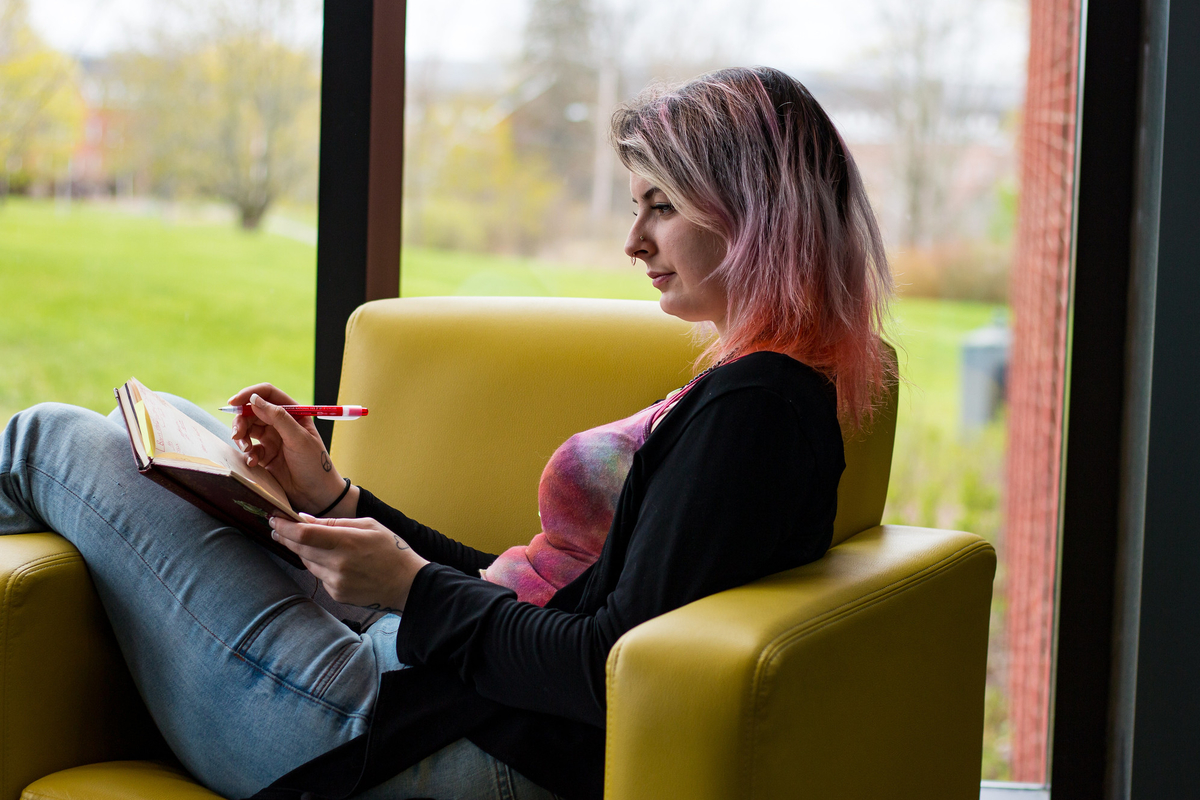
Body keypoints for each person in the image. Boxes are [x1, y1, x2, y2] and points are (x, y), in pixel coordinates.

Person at [0, 66, 892, 800]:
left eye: (661, 205)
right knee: (184, 432)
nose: (633, 240)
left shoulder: (758, 412)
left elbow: (606, 670)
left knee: (49, 438)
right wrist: (335, 497)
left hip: (368, 731)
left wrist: (415, 590)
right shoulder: (766, 388)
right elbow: (547, 601)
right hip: (432, 691)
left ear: (752, 208)